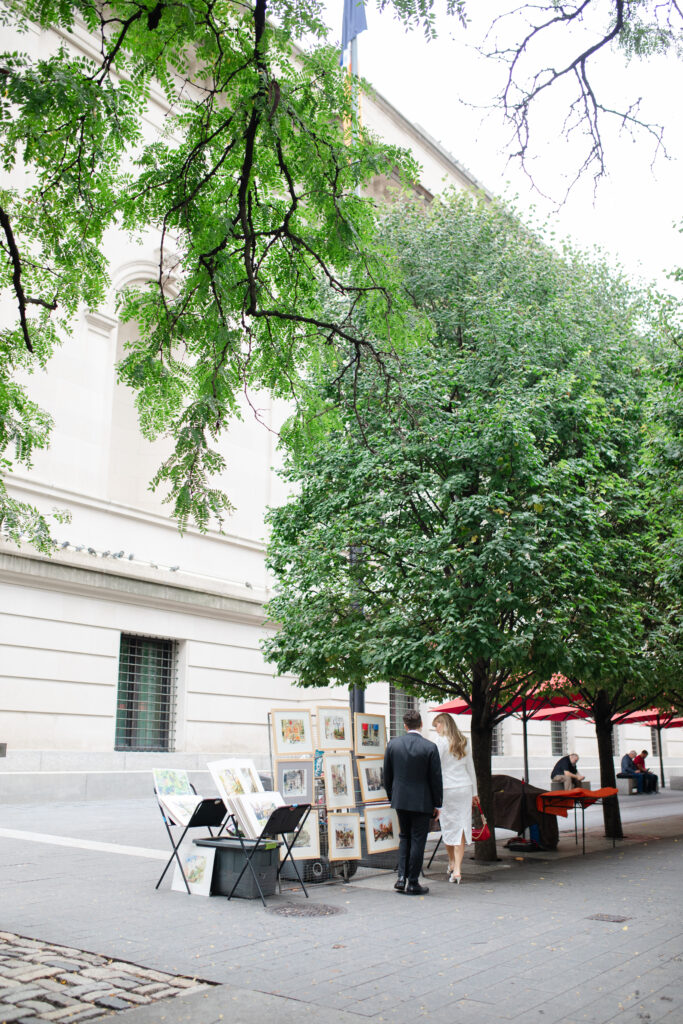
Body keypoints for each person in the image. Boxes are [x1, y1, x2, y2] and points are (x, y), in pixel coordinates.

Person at [383, 709, 443, 896]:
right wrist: (437, 803)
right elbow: (436, 778)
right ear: (421, 724)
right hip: (422, 801)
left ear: (405, 725)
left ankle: (401, 877)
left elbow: (387, 775)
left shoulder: (393, 745)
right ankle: (413, 881)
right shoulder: (430, 747)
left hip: (400, 800)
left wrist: (393, 796)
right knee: (418, 840)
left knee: (404, 837)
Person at [432, 713, 478, 884]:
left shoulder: (439, 742)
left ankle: (452, 862)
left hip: (447, 789)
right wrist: (475, 793)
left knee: (448, 826)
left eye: (437, 725)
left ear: (443, 724)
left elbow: (435, 768)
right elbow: (471, 768)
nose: (436, 729)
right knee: (461, 826)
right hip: (464, 788)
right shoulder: (464, 741)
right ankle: (457, 868)